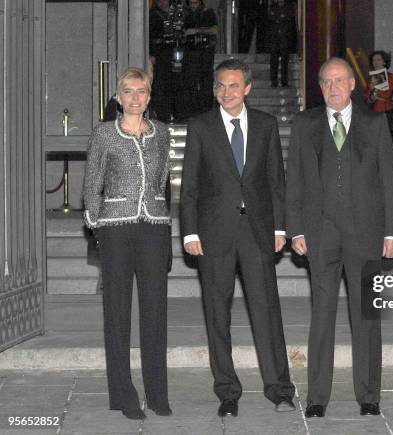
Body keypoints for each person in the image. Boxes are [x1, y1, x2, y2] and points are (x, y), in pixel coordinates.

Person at [286, 57, 393, 418]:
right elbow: (295, 181)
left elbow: (388, 180)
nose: (333, 87)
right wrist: (295, 229)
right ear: (320, 87)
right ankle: (317, 397)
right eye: (326, 82)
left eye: (340, 80)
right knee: (322, 316)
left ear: (353, 84)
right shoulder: (305, 124)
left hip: (365, 234)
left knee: (365, 317)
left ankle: (369, 395)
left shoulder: (374, 122)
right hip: (320, 234)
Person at [180, 58, 295, 417]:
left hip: (258, 232)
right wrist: (189, 232)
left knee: (267, 313)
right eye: (220, 86)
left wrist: (279, 227)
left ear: (247, 88)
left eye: (233, 86)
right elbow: (191, 187)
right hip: (214, 234)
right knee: (217, 315)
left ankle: (280, 389)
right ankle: (227, 391)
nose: (225, 92)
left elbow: (276, 180)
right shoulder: (201, 127)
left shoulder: (265, 125)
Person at [82, 67, 172, 420]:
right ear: (118, 98)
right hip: (116, 228)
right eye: (128, 92)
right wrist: (96, 222)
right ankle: (123, 395)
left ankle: (158, 393)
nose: (135, 97)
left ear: (149, 97)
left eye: (142, 91)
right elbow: (92, 181)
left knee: (155, 313)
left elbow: (164, 175)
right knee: (117, 313)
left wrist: (155, 207)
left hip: (154, 227)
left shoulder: (162, 133)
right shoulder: (104, 134)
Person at [181, 0, 218, 116]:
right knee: (189, 83)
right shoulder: (184, 13)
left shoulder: (208, 13)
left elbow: (214, 30)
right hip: (190, 52)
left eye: (195, 3)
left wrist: (196, 31)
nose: (193, 6)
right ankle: (190, 111)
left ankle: (206, 111)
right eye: (191, 3)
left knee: (206, 82)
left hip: (205, 51)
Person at [366, 50, 393, 149]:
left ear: (384, 62)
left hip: (387, 111)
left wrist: (375, 89)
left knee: (388, 142)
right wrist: (371, 93)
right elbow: (366, 98)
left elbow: (387, 93)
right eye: (374, 60)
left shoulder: (391, 76)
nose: (376, 62)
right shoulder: (369, 79)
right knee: (375, 142)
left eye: (378, 60)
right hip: (374, 112)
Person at [268, 0, 296, 87]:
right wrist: (280, 18)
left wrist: (279, 18)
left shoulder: (289, 7)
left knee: (284, 61)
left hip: (285, 38)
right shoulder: (273, 6)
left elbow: (289, 19)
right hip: (274, 38)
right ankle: (274, 82)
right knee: (274, 61)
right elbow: (272, 18)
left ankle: (284, 82)